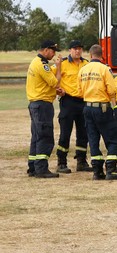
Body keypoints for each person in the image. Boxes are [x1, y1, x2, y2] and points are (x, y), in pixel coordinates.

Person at [79, 44, 117, 180]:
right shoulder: (105, 69)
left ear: (90, 55)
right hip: (102, 107)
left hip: (87, 107)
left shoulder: (83, 69)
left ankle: (97, 171)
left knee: (93, 139)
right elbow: (111, 89)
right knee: (113, 139)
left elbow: (79, 90)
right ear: (102, 55)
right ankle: (111, 169)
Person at [26, 40, 63, 178]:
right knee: (45, 136)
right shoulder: (42, 65)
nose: (53, 55)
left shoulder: (35, 62)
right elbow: (55, 82)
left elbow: (45, 81)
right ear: (46, 50)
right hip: (42, 105)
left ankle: (33, 167)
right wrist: (58, 67)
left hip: (35, 103)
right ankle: (41, 168)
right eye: (53, 51)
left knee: (36, 136)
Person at [55, 40, 91, 173]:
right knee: (65, 133)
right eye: (75, 49)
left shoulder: (86, 64)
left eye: (80, 49)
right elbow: (52, 79)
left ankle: (81, 161)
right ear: (70, 50)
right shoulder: (62, 64)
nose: (78, 51)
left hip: (83, 101)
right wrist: (57, 89)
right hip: (68, 101)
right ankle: (61, 162)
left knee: (83, 133)